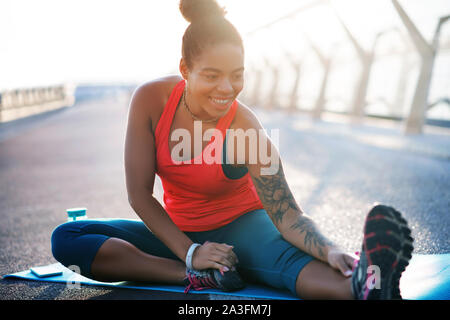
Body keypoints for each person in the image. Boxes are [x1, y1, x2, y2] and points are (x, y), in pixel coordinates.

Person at [51, 0, 413, 299]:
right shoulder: (150, 100)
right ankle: (196, 276)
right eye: (211, 75)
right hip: (179, 235)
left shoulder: (245, 128)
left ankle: (368, 283)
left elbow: (288, 215)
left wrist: (330, 249)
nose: (227, 88)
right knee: (68, 237)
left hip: (243, 230)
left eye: (236, 74)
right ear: (185, 70)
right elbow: (139, 195)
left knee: (286, 264)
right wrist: (192, 255)